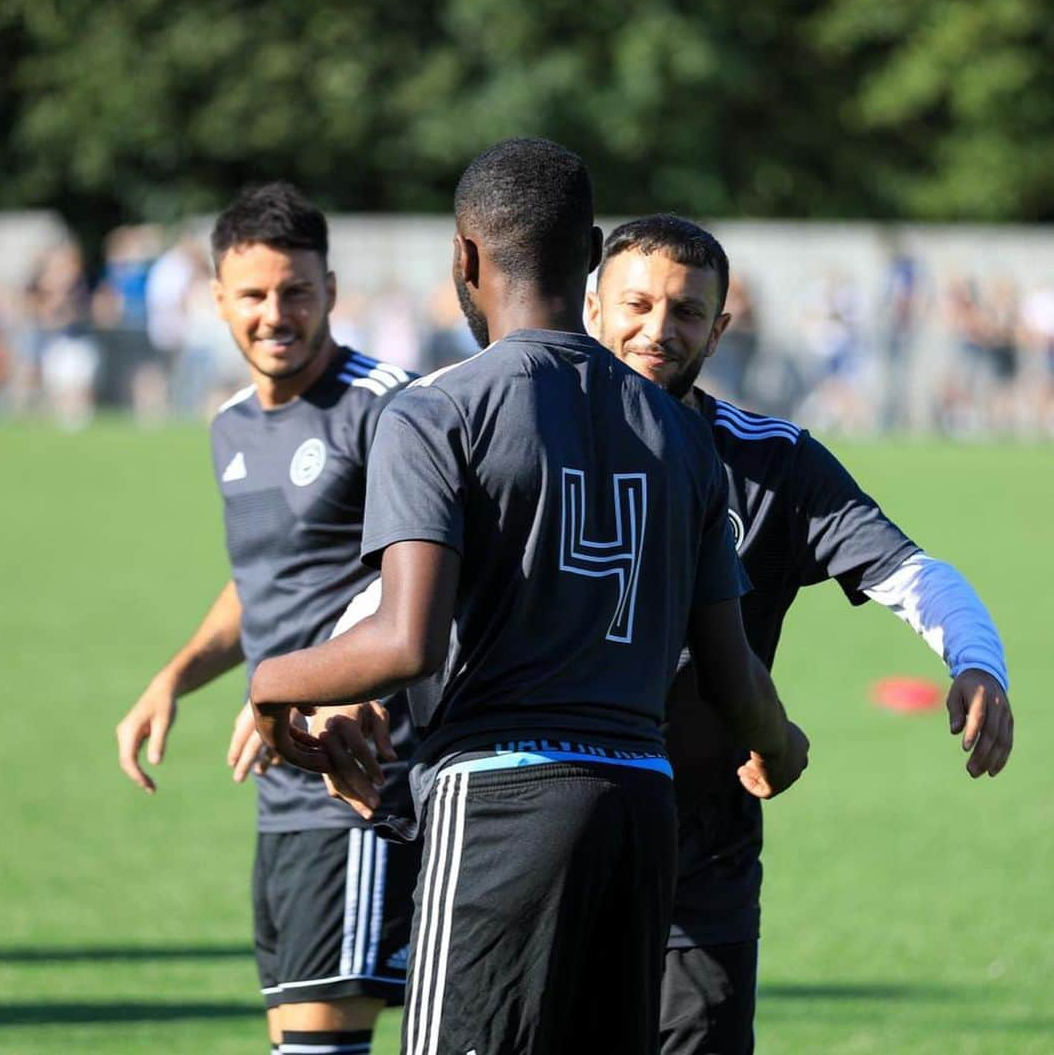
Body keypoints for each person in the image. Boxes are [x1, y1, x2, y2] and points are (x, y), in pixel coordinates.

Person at [249, 138, 809, 1055]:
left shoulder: (437, 411)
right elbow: (729, 669)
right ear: (592, 255)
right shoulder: (679, 431)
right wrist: (780, 745)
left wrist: (276, 680)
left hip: (500, 810)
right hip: (641, 816)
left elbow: (406, 642)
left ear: (463, 258)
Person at [585, 213, 1014, 1055]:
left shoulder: (771, 462)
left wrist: (977, 659)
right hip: (548, 838)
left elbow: (911, 571)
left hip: (700, 858)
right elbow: (407, 576)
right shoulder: (522, 431)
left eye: (684, 312)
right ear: (593, 306)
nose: (656, 330)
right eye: (636, 305)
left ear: (721, 328)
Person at [115, 181, 420, 1055]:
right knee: (295, 1042)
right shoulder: (230, 425)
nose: (275, 313)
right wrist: (173, 678)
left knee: (323, 1046)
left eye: (296, 290)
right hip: (280, 792)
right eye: (253, 294)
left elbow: (431, 578)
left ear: (331, 286)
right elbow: (261, 580)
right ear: (217, 299)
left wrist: (308, 686)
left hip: (359, 777)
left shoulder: (391, 407)